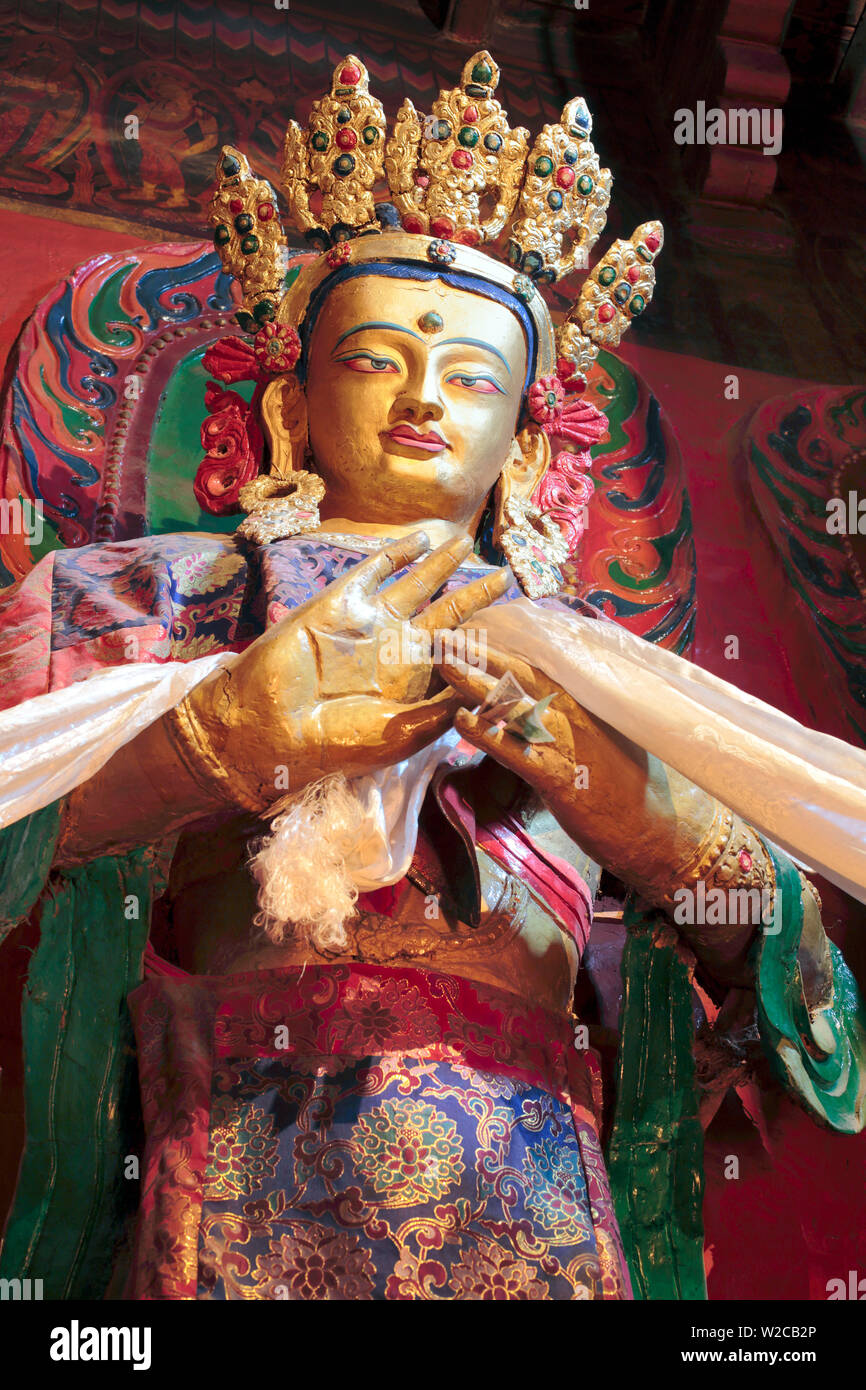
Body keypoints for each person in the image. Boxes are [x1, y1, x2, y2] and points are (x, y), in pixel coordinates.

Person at [1, 51, 863, 1302]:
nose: (422, 399)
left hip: (534, 1185)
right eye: (372, 358)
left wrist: (648, 820)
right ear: (288, 405)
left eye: (470, 377)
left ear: (524, 443)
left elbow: (803, 1000)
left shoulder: (601, 679)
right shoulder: (155, 602)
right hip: (238, 1163)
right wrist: (220, 745)